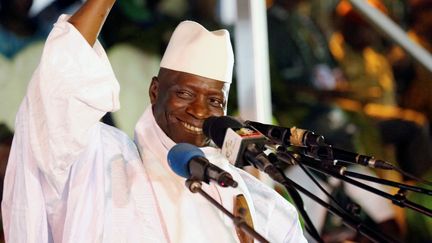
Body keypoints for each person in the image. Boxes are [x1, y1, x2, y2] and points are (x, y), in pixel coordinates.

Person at [1, 0, 306, 242]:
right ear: (154, 91)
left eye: (214, 101)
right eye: (184, 93)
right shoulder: (102, 160)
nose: (199, 112)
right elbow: (58, 92)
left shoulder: (261, 207)